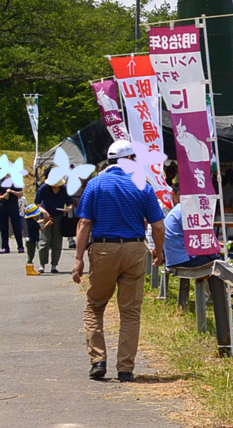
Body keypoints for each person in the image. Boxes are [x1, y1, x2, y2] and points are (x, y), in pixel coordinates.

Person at [72, 140, 166, 382]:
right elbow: (157, 225)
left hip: (103, 249)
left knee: (95, 306)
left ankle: (98, 360)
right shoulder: (142, 186)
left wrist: (78, 259)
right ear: (132, 159)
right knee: (131, 312)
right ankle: (125, 368)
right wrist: (158, 251)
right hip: (134, 250)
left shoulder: (95, 184)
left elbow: (84, 223)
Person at [162, 189, 220, 269]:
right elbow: (200, 235)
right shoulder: (185, 211)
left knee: (212, 257)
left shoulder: (177, 209)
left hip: (173, 258)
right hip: (183, 259)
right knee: (217, 263)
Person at [35, 176, 72, 273]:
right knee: (45, 240)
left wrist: (68, 208)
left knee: (57, 241)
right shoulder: (44, 188)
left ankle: (54, 265)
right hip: (45, 216)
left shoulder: (65, 189)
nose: (55, 187)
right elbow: (37, 203)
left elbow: (70, 203)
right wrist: (44, 212)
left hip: (59, 216)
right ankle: (42, 264)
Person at [1, 183, 25, 254]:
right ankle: (5, 247)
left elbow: (20, 194)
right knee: (3, 228)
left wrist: (12, 191)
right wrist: (2, 196)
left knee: (16, 227)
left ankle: (20, 247)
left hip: (13, 207)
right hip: (2, 207)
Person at [22, 203, 45, 274]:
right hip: (31, 240)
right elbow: (41, 228)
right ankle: (29, 271)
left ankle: (30, 269)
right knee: (31, 256)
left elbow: (37, 222)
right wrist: (47, 223)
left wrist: (43, 220)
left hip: (28, 240)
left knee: (30, 254)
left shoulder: (29, 221)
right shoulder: (33, 223)